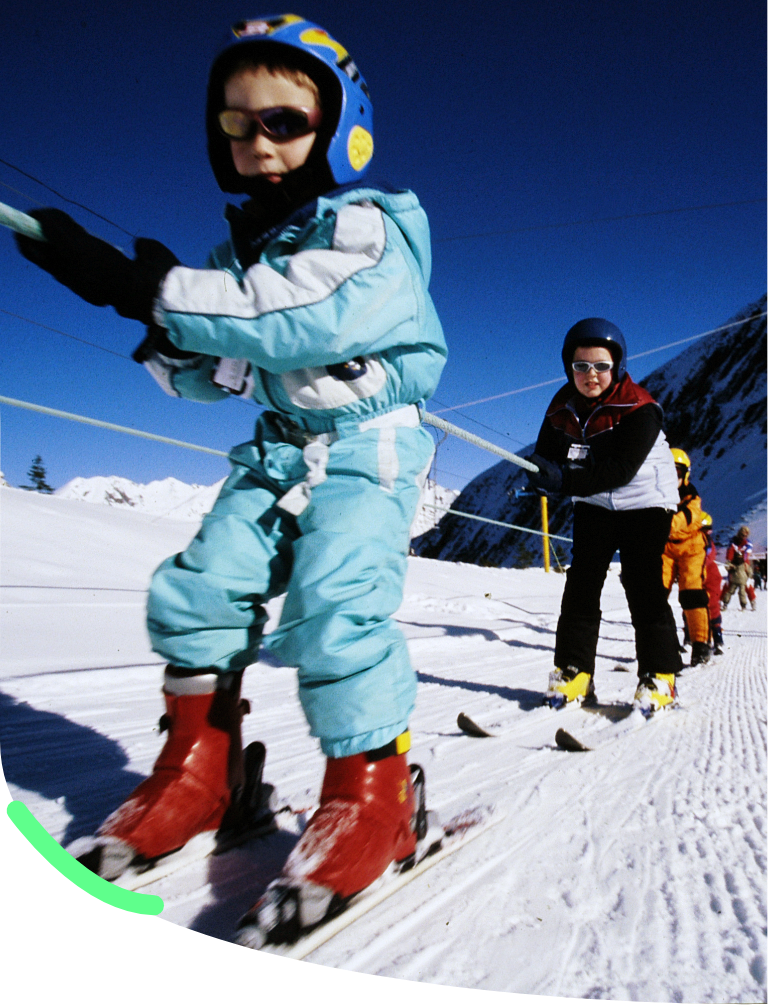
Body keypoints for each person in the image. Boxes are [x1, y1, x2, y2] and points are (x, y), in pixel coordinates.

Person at [15, 15, 447, 939]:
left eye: (284, 122)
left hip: (368, 442)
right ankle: (197, 777)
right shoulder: (238, 254)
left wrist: (153, 292)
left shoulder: (371, 222)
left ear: (340, 127)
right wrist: (153, 324)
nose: (257, 143)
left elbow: (306, 315)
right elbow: (221, 371)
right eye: (236, 124)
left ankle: (376, 795)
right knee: (201, 585)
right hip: (283, 445)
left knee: (338, 599)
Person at [526, 318, 682, 715]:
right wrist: (539, 474)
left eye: (600, 366)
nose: (590, 375)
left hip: (646, 499)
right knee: (582, 580)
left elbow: (620, 471)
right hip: (595, 500)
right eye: (581, 366)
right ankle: (574, 669)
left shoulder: (640, 408)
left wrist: (562, 480)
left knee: (641, 579)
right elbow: (547, 455)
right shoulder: (561, 407)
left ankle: (659, 675)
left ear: (618, 367)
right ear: (568, 369)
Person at [662, 449, 711, 666]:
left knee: (692, 594)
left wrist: (654, 524)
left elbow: (683, 522)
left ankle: (700, 645)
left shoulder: (692, 498)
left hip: (691, 548)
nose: (672, 478)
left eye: (677, 472)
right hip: (665, 548)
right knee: (655, 594)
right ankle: (663, 644)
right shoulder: (654, 495)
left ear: (685, 474)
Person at [701, 512, 724, 655]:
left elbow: (708, 557)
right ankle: (695, 637)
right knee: (692, 606)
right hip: (695, 576)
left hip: (709, 577)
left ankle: (717, 637)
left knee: (712, 605)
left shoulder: (707, 542)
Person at [722, 525, 755, 611]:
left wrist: (745, 566)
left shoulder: (748, 544)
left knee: (747, 584)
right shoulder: (733, 542)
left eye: (745, 535)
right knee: (729, 584)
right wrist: (729, 562)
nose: (743, 537)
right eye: (742, 535)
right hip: (733, 565)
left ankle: (752, 602)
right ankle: (722, 602)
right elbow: (730, 552)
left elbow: (746, 555)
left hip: (744, 565)